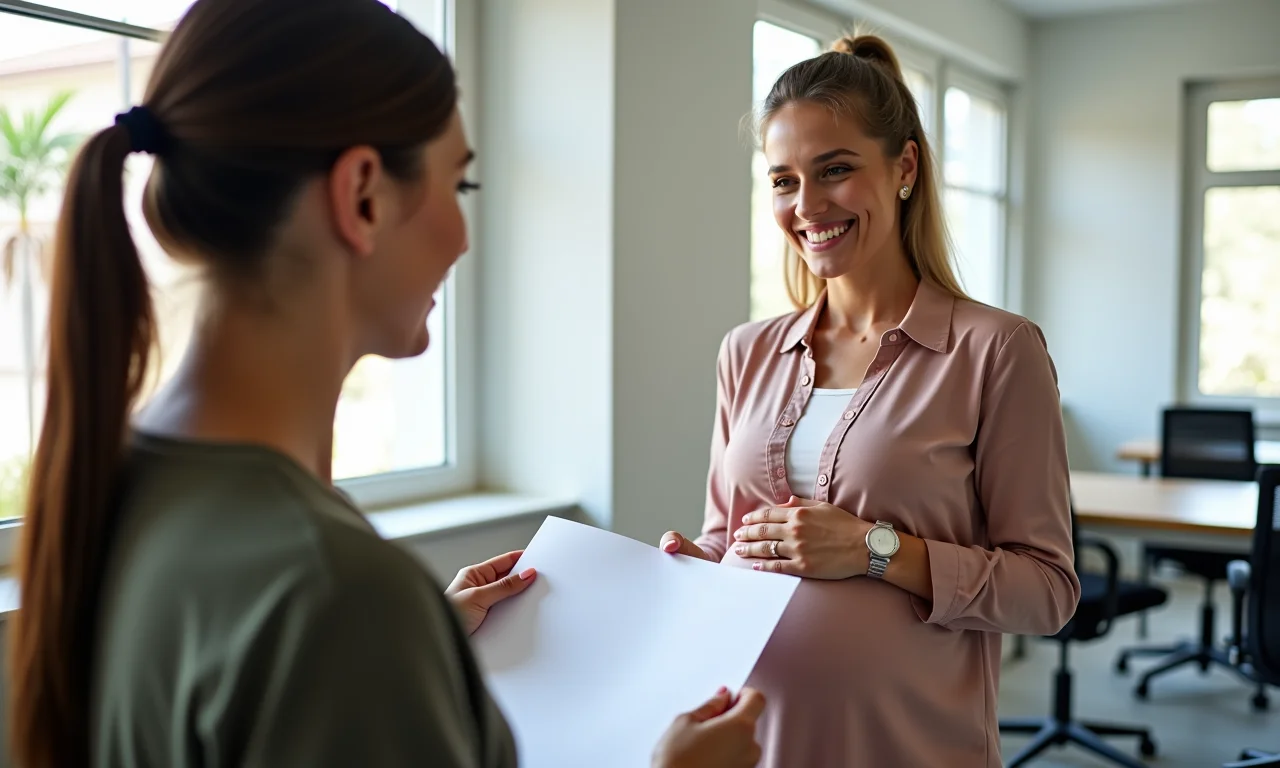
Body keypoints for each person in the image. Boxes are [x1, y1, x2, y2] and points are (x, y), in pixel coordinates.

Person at [5, 1, 764, 767]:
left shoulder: (114, 482)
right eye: (458, 187)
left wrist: (415, 653)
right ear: (363, 195)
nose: (464, 239)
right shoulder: (335, 595)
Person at [659, 34, 1081, 767]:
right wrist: (693, 565)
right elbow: (732, 539)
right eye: (784, 180)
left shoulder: (996, 351)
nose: (807, 205)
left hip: (910, 746)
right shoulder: (746, 352)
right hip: (755, 744)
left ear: (904, 167)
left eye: (836, 171)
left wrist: (874, 550)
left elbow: (1046, 590)